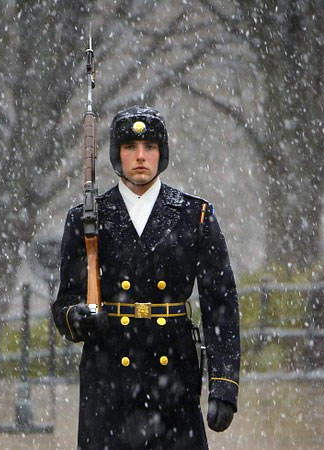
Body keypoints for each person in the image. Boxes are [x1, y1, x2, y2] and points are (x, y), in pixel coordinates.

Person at [52, 105, 240, 450]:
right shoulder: (86, 218)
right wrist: (74, 317)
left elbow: (221, 304)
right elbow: (65, 300)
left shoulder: (194, 216)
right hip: (109, 374)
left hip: (173, 373)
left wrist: (224, 384)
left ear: (161, 153)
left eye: (150, 147)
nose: (140, 156)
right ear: (116, 155)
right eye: (129, 147)